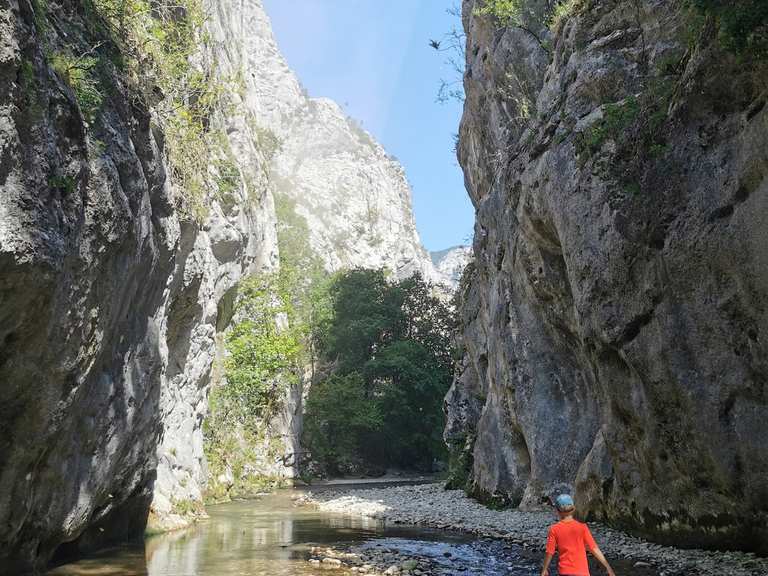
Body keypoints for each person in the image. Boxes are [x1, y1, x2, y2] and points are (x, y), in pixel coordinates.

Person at [540, 494, 616, 576]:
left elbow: (549, 552)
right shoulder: (582, 527)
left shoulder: (554, 529)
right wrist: (608, 568)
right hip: (582, 572)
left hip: (565, 572)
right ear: (573, 509)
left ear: (557, 511)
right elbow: (594, 548)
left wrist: (544, 569)